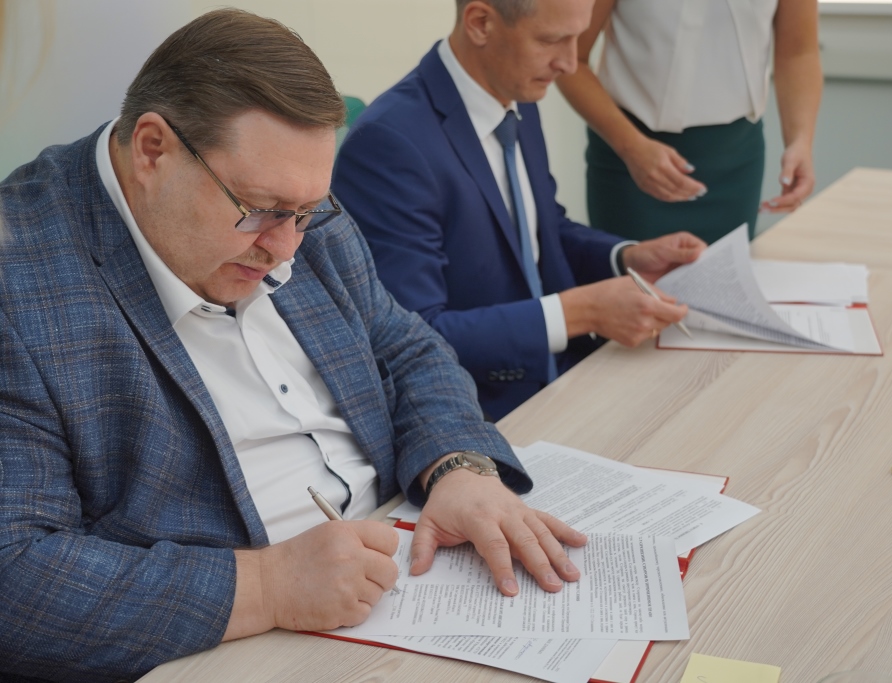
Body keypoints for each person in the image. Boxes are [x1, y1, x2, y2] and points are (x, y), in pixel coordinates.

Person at [0, 10, 589, 682]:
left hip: (414, 570)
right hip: (237, 649)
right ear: (153, 150)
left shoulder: (291, 198)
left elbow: (405, 347)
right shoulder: (20, 281)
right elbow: (15, 575)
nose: (285, 251)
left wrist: (457, 466)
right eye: (260, 211)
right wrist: (267, 586)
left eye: (306, 214)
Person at [332, 0, 707, 421]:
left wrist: (625, 258)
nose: (569, 64)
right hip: (480, 413)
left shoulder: (516, 93)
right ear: (480, 23)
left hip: (568, 379)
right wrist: (583, 312)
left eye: (577, 39)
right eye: (551, 40)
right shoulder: (389, 143)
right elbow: (409, 339)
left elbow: (540, 231)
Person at [555, 0, 823, 244]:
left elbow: (799, 52)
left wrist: (800, 141)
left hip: (736, 167)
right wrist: (630, 147)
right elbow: (570, 59)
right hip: (633, 165)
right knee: (633, 280)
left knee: (726, 279)